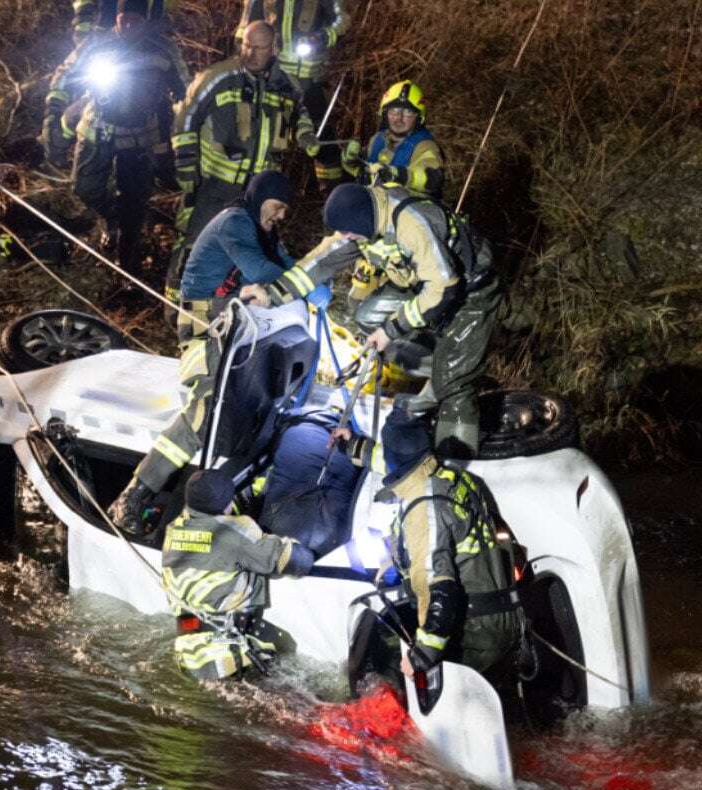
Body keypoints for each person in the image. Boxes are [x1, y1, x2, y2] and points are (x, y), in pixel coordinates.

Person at [109, 171, 331, 533]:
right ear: (260, 199)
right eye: (277, 208)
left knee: (253, 399)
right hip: (204, 322)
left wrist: (315, 279)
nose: (281, 216)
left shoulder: (265, 230)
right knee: (205, 410)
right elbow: (261, 269)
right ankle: (136, 493)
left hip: (238, 319)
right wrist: (305, 288)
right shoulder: (235, 224)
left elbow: (285, 265)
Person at [239, 182, 499, 457]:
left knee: (452, 386)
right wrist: (273, 294)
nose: (344, 237)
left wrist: (391, 329)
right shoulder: (362, 221)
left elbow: (443, 287)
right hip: (420, 284)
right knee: (369, 317)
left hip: (470, 289)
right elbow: (320, 262)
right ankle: (446, 366)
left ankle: (457, 457)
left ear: (363, 221)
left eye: (348, 233)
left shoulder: (411, 224)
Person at [331, 409, 522, 691]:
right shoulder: (449, 476)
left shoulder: (423, 507)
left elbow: (438, 588)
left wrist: (422, 654)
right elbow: (392, 460)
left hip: (474, 631)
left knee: (388, 670)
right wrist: (352, 445)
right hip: (503, 617)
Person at [163, 20, 316, 322]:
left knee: (252, 249)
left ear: (274, 49)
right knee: (192, 244)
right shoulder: (217, 77)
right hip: (215, 184)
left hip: (257, 192)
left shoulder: (286, 85)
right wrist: (186, 165)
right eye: (246, 44)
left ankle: (235, 309)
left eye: (259, 47)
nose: (250, 52)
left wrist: (307, 136)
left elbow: (301, 116)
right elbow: (185, 119)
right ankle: (176, 310)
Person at [42, 0, 188, 273]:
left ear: (145, 21)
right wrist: (53, 108)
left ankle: (127, 264)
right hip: (98, 128)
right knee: (85, 188)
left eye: (135, 20)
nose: (129, 25)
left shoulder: (162, 49)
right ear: (117, 20)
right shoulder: (97, 44)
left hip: (141, 136)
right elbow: (65, 76)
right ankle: (110, 217)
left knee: (134, 202)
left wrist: (177, 128)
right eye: (124, 20)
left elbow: (185, 90)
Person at [162, 470, 312, 680]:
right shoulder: (235, 532)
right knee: (290, 657)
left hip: (190, 654)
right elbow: (298, 562)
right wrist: (291, 543)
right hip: (228, 658)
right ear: (227, 503)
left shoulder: (174, 528)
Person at [236, 0, 350, 192]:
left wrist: (323, 36)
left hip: (309, 79)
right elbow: (245, 29)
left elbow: (342, 20)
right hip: (273, 77)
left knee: (320, 135)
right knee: (264, 133)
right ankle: (260, 191)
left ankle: (331, 191)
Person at [342, 80, 446, 199]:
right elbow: (360, 172)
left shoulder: (425, 146)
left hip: (405, 212)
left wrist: (396, 174)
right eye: (394, 110)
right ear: (385, 113)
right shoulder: (378, 139)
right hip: (372, 208)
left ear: (419, 117)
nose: (399, 118)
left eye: (407, 112)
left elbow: (432, 178)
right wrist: (350, 160)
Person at [70, 0, 174, 44]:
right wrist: (82, 27)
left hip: (143, 37)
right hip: (103, 34)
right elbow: (83, 3)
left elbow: (162, 6)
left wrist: (157, 32)